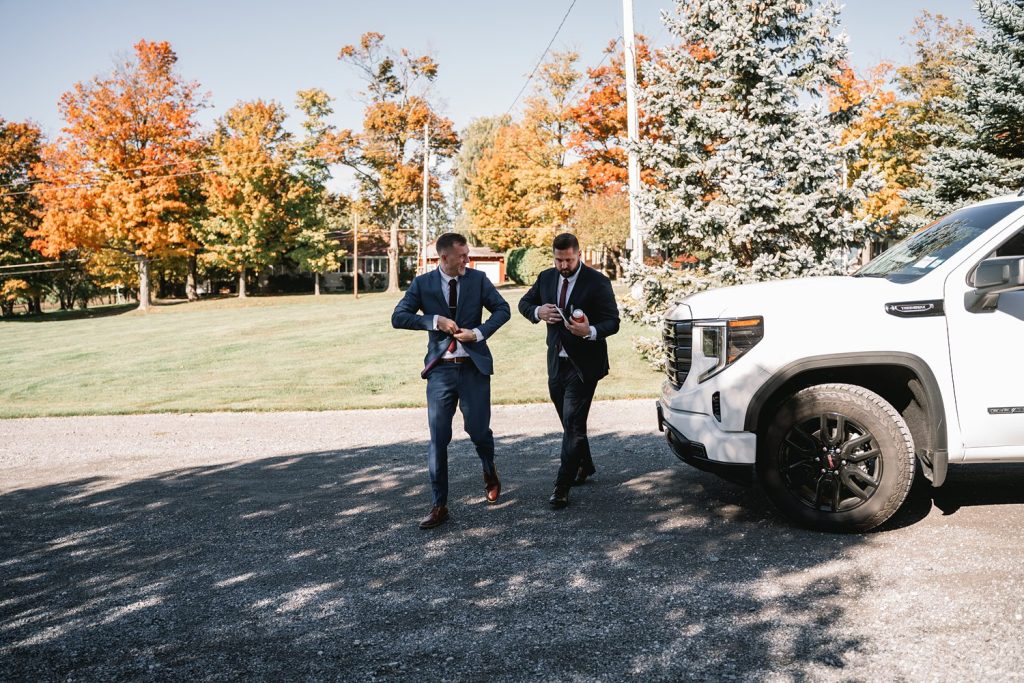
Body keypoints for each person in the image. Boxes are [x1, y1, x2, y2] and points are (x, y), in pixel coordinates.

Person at [391, 233, 511, 529]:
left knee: (479, 431)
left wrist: (479, 333)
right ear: (444, 258)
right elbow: (399, 316)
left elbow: (503, 310)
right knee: (438, 438)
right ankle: (439, 504)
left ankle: (489, 471)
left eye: (467, 254)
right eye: (461, 256)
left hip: (473, 368)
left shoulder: (478, 280)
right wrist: (434, 321)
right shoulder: (423, 284)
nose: (467, 260)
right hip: (441, 371)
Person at [518, 233, 620, 508]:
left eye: (568, 260)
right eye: (559, 260)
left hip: (584, 365)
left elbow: (613, 322)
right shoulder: (547, 277)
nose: (563, 265)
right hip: (556, 362)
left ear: (579, 255)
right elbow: (524, 304)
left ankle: (562, 485)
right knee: (570, 423)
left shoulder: (597, 281)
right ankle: (585, 465)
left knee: (573, 424)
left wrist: (590, 331)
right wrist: (539, 311)